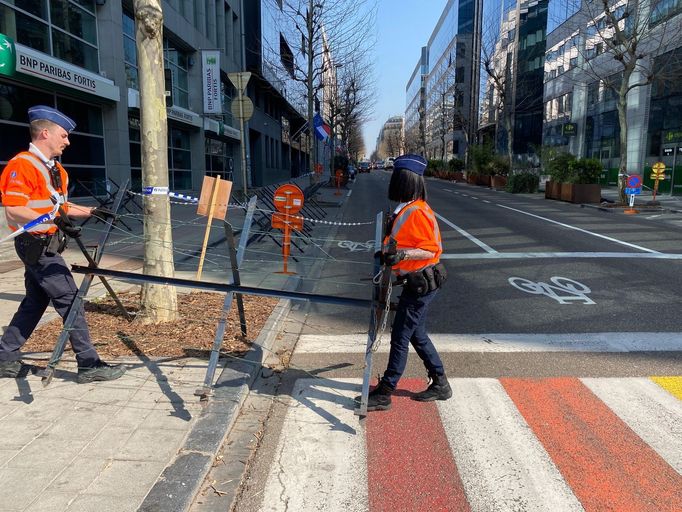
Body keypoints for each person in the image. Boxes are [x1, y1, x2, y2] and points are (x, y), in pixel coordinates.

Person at [0, 105, 124, 383]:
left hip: (47, 243)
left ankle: (4, 355)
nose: (68, 141)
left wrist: (92, 212)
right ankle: (89, 365)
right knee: (70, 299)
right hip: (36, 244)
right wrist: (57, 223)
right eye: (64, 135)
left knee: (35, 300)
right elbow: (13, 209)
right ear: (46, 133)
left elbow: (59, 206)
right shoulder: (22, 165)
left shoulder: (55, 169)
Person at [363, 154, 451, 411]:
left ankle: (386, 391)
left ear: (404, 180)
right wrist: (389, 253)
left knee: (401, 336)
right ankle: (441, 384)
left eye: (396, 177)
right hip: (418, 283)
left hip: (420, 284)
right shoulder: (410, 208)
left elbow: (430, 249)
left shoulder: (416, 212)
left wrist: (401, 255)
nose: (393, 181)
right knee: (417, 335)